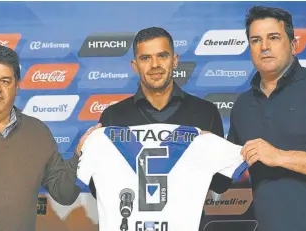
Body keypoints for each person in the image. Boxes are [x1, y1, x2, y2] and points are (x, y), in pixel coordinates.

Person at [76, 27, 229, 225]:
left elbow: (221, 184)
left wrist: (213, 154)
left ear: (174, 60)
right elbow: (100, 189)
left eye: (162, 56)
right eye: (145, 58)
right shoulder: (113, 117)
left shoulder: (205, 113)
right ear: (134, 65)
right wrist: (84, 154)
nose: (155, 65)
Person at [227, 6, 306, 231]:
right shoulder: (242, 105)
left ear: (294, 45)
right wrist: (199, 145)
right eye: (256, 40)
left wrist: (279, 156)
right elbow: (228, 167)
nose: (264, 47)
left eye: (273, 38)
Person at [0, 45, 82, 231]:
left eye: (5, 81)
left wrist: (81, 156)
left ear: (17, 86)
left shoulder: (38, 132)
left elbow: (65, 193)